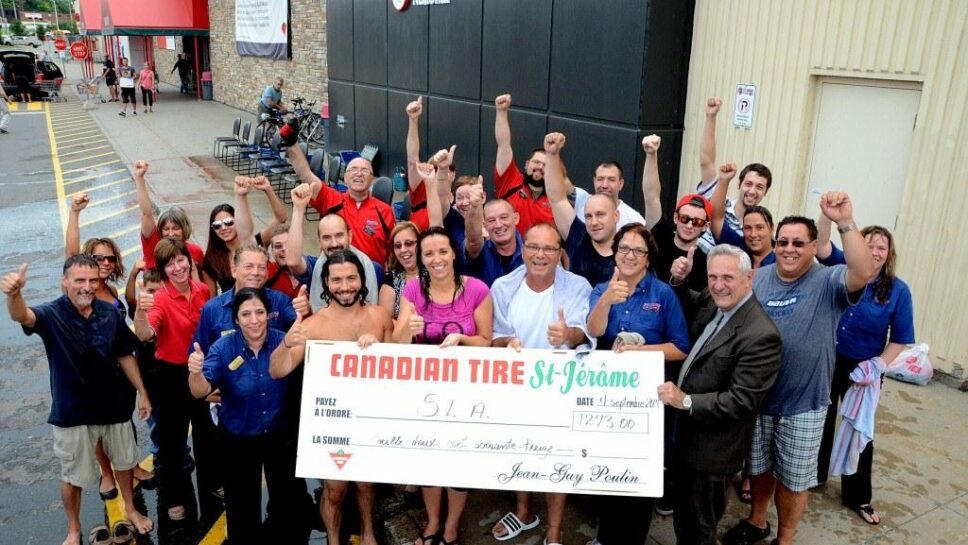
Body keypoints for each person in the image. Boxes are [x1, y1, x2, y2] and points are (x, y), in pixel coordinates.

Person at [724, 193, 875, 545]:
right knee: (759, 469)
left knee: (793, 480)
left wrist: (845, 222)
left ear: (812, 247)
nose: (789, 249)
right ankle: (757, 521)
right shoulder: (758, 279)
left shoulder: (829, 280)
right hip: (758, 399)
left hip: (804, 403)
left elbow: (864, 271)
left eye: (798, 243)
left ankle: (786, 538)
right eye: (783, 242)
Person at [2, 256, 154, 545]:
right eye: (79, 280)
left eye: (92, 281)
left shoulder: (109, 314)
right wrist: (15, 294)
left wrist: (143, 393)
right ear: (65, 281)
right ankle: (73, 528)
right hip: (72, 414)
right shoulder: (51, 313)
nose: (87, 287)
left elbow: (124, 354)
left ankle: (131, 510)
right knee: (73, 476)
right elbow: (23, 316)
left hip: (115, 408)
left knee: (124, 463)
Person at [657, 244, 783, 545]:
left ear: (748, 278)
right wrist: (679, 281)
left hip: (711, 453)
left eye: (727, 277)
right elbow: (690, 302)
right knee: (685, 520)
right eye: (713, 277)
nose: (717, 285)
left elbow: (741, 400)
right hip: (687, 440)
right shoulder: (717, 302)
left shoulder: (761, 334)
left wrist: (684, 401)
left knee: (700, 527)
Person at [270, 249, 394, 545]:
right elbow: (277, 369)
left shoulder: (380, 317)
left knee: (366, 483)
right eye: (336, 280)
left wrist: (382, 346)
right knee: (335, 489)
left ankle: (367, 533)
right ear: (325, 284)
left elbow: (396, 368)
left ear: (362, 280)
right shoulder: (313, 325)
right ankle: (333, 540)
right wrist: (287, 342)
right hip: (331, 423)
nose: (345, 286)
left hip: (368, 417)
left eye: (351, 278)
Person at [489, 222, 593, 545]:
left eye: (549, 248)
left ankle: (554, 532)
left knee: (557, 458)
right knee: (520, 448)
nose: (540, 255)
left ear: (559, 253)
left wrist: (569, 335)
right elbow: (493, 337)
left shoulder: (578, 286)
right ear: (523, 250)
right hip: (517, 386)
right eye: (533, 247)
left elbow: (584, 334)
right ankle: (523, 512)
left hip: (559, 388)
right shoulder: (503, 286)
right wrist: (506, 342)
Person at [585, 223, 690, 540]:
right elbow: (595, 331)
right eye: (624, 248)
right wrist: (606, 300)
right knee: (607, 468)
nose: (630, 255)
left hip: (648, 400)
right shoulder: (601, 288)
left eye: (638, 250)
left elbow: (680, 348)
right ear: (615, 252)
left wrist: (638, 351)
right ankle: (606, 535)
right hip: (608, 396)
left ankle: (633, 537)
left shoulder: (663, 294)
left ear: (648, 258)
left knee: (640, 471)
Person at [188, 288, 311, 545]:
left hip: (280, 438)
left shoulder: (284, 340)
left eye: (259, 312)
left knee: (286, 504)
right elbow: (200, 391)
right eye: (246, 314)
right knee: (241, 510)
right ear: (236, 319)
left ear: (268, 315)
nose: (253, 320)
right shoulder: (222, 348)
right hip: (238, 439)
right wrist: (196, 373)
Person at [395, 227, 493, 545]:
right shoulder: (412, 291)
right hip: (424, 391)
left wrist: (462, 338)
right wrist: (407, 330)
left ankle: (451, 527)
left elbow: (486, 343)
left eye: (442, 251)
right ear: (421, 260)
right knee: (428, 458)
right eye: (429, 254)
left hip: (465, 392)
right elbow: (396, 342)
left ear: (453, 253)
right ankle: (433, 521)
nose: (436, 259)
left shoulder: (477, 289)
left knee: (458, 461)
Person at [815, 221, 916, 525]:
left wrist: (878, 366)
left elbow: (900, 338)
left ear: (889, 254)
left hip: (865, 370)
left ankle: (858, 496)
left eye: (881, 247)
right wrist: (826, 217)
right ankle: (813, 477)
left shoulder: (898, 291)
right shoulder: (843, 267)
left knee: (861, 432)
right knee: (820, 418)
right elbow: (820, 247)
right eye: (867, 243)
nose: (874, 251)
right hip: (829, 359)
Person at [65, 193, 157, 495]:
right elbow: (69, 254)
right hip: (91, 374)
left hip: (121, 370)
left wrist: (132, 274)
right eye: (97, 258)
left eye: (109, 258)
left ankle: (129, 465)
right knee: (99, 428)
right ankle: (106, 472)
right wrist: (75, 214)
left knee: (122, 421)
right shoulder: (83, 291)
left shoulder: (113, 290)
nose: (104, 263)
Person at [133, 238, 214, 524]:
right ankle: (175, 496)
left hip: (201, 372)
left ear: (189, 261)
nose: (178, 267)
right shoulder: (160, 300)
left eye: (181, 260)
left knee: (208, 434)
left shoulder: (202, 290)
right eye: (170, 263)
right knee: (172, 443)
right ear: (163, 269)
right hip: (170, 376)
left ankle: (212, 483)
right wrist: (141, 312)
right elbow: (145, 333)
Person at [286, 140, 396, 265]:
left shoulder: (384, 211)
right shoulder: (330, 198)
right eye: (353, 169)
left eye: (365, 170)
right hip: (335, 275)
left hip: (372, 278)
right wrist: (291, 142)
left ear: (372, 179)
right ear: (345, 177)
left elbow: (393, 252)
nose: (359, 174)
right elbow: (305, 174)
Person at [695, 96, 774, 253]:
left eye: (759, 187)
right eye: (748, 184)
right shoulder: (718, 198)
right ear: (739, 184)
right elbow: (707, 162)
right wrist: (711, 117)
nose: (752, 191)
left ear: (765, 192)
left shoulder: (757, 232)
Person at [286, 185, 384, 310]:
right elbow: (292, 261)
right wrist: (298, 209)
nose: (334, 244)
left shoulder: (374, 269)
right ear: (319, 242)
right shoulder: (315, 267)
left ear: (350, 236)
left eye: (339, 235)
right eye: (326, 238)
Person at [543, 132, 619, 286]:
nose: (594, 221)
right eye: (588, 216)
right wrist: (551, 155)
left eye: (600, 215)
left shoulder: (627, 252)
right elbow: (557, 199)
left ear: (616, 216)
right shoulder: (578, 236)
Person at [203, 176, 289, 294]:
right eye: (217, 225)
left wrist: (268, 189)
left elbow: (281, 218)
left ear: (237, 220)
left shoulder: (256, 243)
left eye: (228, 222)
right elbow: (212, 297)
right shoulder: (211, 258)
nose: (223, 228)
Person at [494, 93, 554, 234]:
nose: (540, 167)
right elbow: (503, 145)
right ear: (527, 164)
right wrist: (501, 112)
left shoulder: (557, 199)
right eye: (536, 162)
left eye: (546, 165)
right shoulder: (510, 181)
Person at [133, 160, 206, 274]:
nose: (171, 233)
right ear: (160, 231)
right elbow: (146, 213)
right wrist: (139, 178)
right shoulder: (154, 246)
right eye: (166, 229)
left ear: (184, 229)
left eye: (176, 228)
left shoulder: (195, 252)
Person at [709, 163, 777, 268]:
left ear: (772, 229)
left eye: (760, 228)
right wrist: (723, 180)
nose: (753, 234)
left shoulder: (781, 257)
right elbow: (715, 218)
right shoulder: (740, 246)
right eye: (748, 228)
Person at [464, 193, 524, 286]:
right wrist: (474, 208)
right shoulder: (480, 253)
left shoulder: (532, 251)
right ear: (484, 225)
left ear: (516, 218)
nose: (498, 225)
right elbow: (473, 241)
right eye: (491, 220)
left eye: (504, 217)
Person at [573, 160, 647, 229]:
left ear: (621, 184)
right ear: (594, 181)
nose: (605, 185)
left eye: (611, 180)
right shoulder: (581, 200)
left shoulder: (633, 220)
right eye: (600, 179)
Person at [380, 221, 421, 320]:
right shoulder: (390, 279)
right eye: (398, 246)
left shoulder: (433, 274)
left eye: (408, 243)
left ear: (420, 244)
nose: (403, 250)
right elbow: (386, 323)